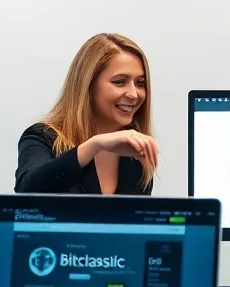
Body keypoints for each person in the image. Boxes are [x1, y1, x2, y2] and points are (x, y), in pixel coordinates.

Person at [15, 33, 160, 194]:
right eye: (119, 82)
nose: (133, 94)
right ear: (88, 85)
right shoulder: (42, 137)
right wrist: (93, 146)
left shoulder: (135, 156)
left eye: (140, 83)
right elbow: (27, 191)